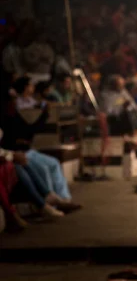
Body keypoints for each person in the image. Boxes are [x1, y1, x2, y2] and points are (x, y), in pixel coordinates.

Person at [2, 76, 80, 209]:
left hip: (27, 150)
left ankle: (65, 200)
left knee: (54, 163)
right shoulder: (6, 117)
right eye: (12, 99)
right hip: (18, 153)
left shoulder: (15, 114)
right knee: (43, 169)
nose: (14, 101)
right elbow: (14, 139)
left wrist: (43, 115)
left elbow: (29, 131)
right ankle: (52, 205)